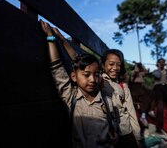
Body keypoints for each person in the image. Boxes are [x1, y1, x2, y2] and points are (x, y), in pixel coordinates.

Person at [40, 20, 117, 148]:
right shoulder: (72, 98)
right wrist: (52, 37)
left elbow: (112, 126)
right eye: (86, 75)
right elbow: (57, 68)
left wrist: (114, 134)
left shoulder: (107, 102)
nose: (92, 79)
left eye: (96, 74)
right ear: (74, 77)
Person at [101, 49, 142, 148]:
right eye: (111, 64)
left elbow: (131, 112)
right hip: (107, 134)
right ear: (103, 65)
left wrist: (137, 136)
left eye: (118, 65)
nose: (115, 68)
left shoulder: (123, 86)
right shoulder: (98, 81)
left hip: (125, 131)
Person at [129, 61, 153, 127]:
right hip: (135, 88)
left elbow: (146, 72)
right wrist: (136, 65)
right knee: (144, 98)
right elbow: (136, 71)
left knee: (151, 93)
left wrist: (141, 65)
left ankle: (145, 114)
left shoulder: (141, 73)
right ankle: (142, 113)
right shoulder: (133, 72)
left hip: (141, 87)